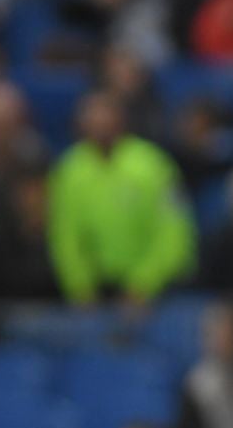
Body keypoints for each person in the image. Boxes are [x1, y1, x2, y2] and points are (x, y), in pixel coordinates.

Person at [47, 89, 196, 305]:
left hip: (153, 292)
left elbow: (174, 231)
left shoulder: (154, 165)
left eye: (106, 117)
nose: (100, 126)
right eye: (93, 119)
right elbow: (64, 236)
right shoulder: (69, 171)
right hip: (93, 293)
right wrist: (80, 287)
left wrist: (145, 282)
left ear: (121, 119)